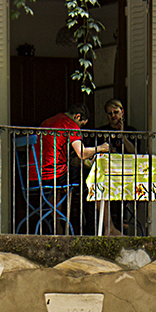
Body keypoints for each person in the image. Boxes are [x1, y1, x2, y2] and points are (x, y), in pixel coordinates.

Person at [30, 103, 109, 234]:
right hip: (53, 173)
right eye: (81, 125)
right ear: (77, 117)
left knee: (61, 186)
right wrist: (100, 148)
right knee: (93, 178)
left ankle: (58, 226)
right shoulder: (70, 125)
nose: (80, 128)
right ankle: (95, 226)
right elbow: (81, 153)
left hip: (35, 174)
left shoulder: (48, 121)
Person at [95, 99, 144, 236]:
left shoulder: (132, 131)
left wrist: (123, 136)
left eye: (116, 112)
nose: (113, 116)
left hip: (128, 174)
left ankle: (125, 223)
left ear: (122, 112)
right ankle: (109, 226)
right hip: (108, 173)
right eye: (110, 114)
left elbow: (134, 152)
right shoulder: (102, 131)